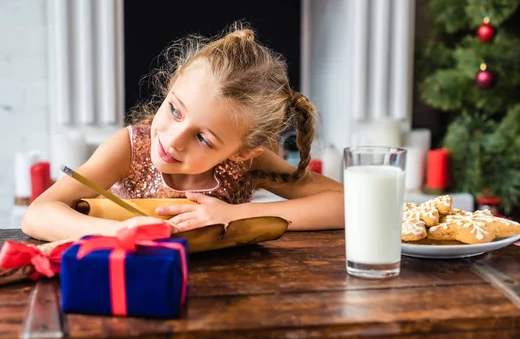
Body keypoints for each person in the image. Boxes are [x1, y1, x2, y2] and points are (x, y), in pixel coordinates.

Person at [22, 23, 344, 242]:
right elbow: (37, 214)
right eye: (175, 109)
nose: (173, 139)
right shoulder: (128, 149)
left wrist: (237, 214)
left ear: (243, 151)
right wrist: (119, 231)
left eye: (203, 138)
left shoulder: (244, 166)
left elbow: (345, 203)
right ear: (173, 82)